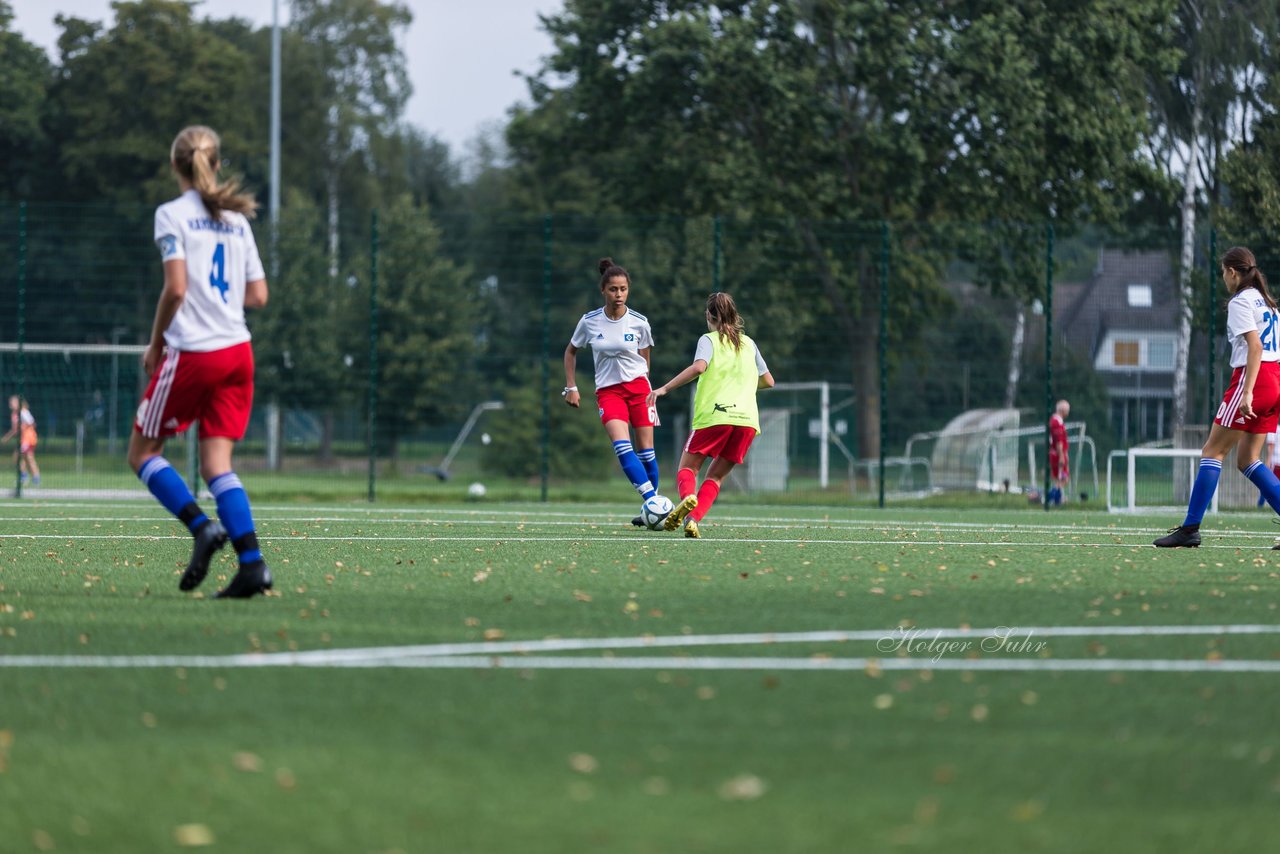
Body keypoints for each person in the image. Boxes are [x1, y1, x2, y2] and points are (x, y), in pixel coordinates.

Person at [126, 125, 272, 597]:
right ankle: (252, 566)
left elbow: (176, 289)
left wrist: (155, 343)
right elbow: (258, 295)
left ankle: (201, 528)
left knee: (142, 452)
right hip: (238, 352)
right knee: (217, 465)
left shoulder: (172, 215)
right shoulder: (237, 221)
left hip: (196, 352)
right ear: (217, 163)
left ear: (175, 165)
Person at [1156, 246, 1280, 548]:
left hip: (1254, 379)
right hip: (1275, 381)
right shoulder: (1270, 304)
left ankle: (1190, 529)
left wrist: (1247, 391)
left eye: (1224, 272)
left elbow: (1254, 348)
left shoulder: (1240, 301)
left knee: (1212, 452)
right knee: (1248, 459)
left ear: (1233, 272)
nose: (1224, 278)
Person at [563, 258, 684, 524]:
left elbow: (645, 356)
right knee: (622, 446)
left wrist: (646, 387)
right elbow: (571, 351)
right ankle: (655, 504)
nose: (619, 295)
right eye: (613, 289)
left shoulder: (640, 322)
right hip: (609, 392)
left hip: (640, 389)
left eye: (623, 289)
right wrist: (571, 386)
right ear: (603, 291)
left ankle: (650, 509)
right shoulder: (590, 321)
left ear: (628, 290)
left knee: (647, 451)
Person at [648, 292, 776, 538]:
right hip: (747, 421)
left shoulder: (709, 340)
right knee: (716, 477)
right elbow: (769, 381)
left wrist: (664, 388)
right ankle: (693, 520)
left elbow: (699, 367)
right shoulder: (749, 343)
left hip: (715, 416)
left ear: (709, 315)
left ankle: (687, 500)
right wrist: (744, 383)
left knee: (687, 469)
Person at [2, 395, 40, 486]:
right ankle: (35, 478)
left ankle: (25, 477)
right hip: (23, 440)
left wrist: (22, 427)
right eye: (10, 403)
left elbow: (32, 424)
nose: (10, 405)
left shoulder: (23, 412)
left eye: (13, 403)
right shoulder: (14, 415)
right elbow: (15, 429)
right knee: (27, 458)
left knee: (18, 456)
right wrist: (7, 437)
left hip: (28, 439)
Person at [1047, 399, 1069, 506]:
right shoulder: (1057, 421)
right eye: (1067, 410)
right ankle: (1048, 497)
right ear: (1062, 410)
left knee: (1060, 479)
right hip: (1057, 454)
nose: (1068, 413)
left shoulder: (1053, 420)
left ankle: (1057, 500)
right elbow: (1059, 441)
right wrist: (1061, 456)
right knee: (1063, 479)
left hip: (1055, 453)